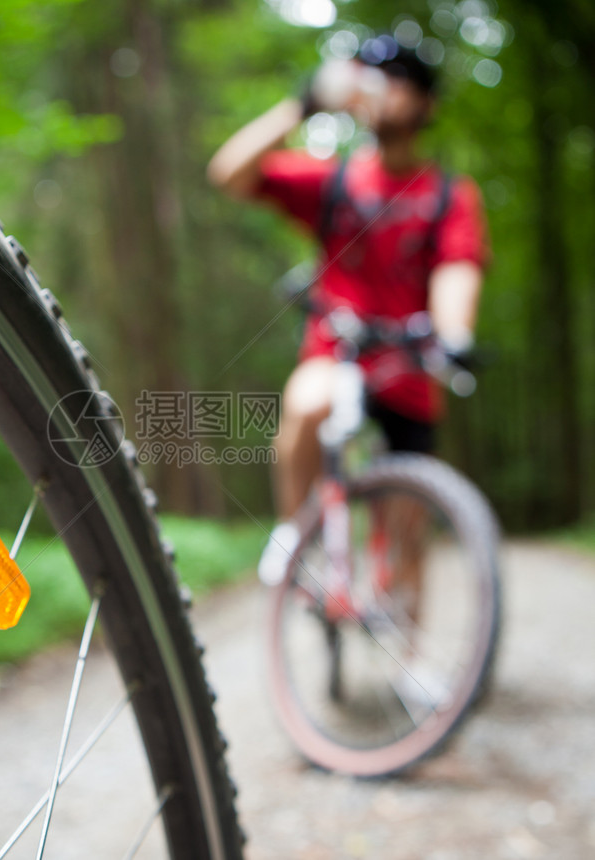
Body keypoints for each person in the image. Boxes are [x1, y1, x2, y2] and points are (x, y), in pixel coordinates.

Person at [207, 34, 489, 585]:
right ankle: (297, 535)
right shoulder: (334, 180)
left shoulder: (448, 195)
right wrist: (304, 102)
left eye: (400, 80)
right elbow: (229, 172)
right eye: (374, 78)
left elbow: (459, 270)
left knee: (408, 530)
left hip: (410, 371)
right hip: (338, 353)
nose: (384, 90)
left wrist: (453, 336)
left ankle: (408, 654)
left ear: (427, 104)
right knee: (308, 401)